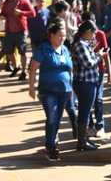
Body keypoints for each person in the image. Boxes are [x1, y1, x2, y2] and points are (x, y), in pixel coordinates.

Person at [28, 18, 72, 161]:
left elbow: (70, 70)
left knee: (57, 118)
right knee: (52, 116)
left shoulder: (65, 49)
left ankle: (51, 141)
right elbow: (33, 68)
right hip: (48, 90)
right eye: (59, 35)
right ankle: (51, 146)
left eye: (64, 36)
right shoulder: (44, 49)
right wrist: (32, 87)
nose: (62, 38)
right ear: (51, 35)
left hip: (64, 90)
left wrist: (72, 89)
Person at [71, 20, 102, 151]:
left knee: (86, 111)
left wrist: (94, 51)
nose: (95, 35)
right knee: (85, 112)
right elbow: (88, 63)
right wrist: (99, 56)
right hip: (85, 82)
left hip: (88, 82)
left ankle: (83, 139)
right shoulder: (80, 45)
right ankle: (81, 142)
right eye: (93, 32)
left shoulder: (84, 44)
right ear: (88, 32)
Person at [0, 0, 36, 80]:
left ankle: (23, 71)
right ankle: (16, 66)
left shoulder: (23, 1)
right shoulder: (7, 2)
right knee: (8, 51)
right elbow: (3, 12)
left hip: (20, 31)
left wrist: (21, 12)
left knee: (22, 51)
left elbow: (32, 13)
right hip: (9, 30)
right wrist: (2, 16)